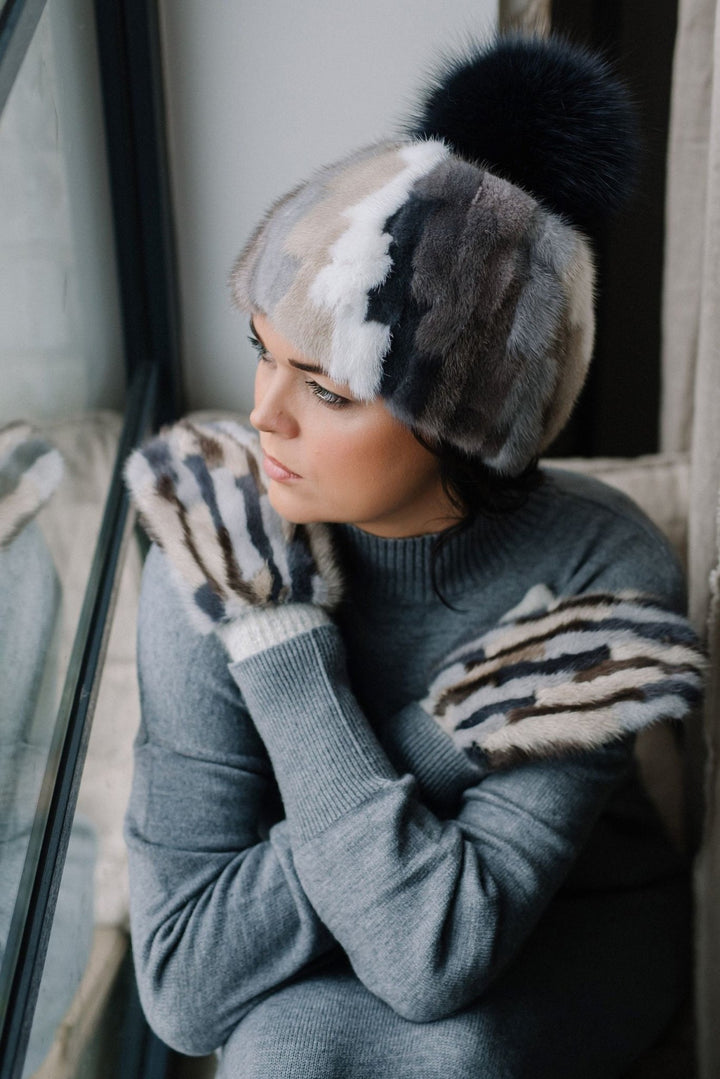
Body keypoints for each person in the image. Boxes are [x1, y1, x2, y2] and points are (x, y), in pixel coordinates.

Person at [123, 35, 705, 1078]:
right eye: (264, 350)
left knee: (397, 1051)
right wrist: (422, 715)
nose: (262, 415)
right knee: (271, 1044)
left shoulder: (601, 572)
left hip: (573, 930)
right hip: (323, 937)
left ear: (470, 428)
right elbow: (182, 987)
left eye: (328, 389)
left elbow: (428, 961)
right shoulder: (219, 553)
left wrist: (327, 734)